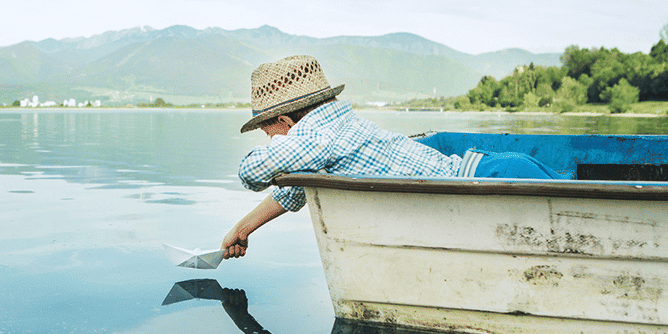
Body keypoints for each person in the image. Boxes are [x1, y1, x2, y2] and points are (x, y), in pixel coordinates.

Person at [221, 55, 568, 260]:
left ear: (285, 120)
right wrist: (243, 228)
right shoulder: (339, 127)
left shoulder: (317, 137)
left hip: (491, 178)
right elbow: (294, 191)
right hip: (496, 166)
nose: (272, 142)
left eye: (269, 134)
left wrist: (278, 150)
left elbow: (250, 172)